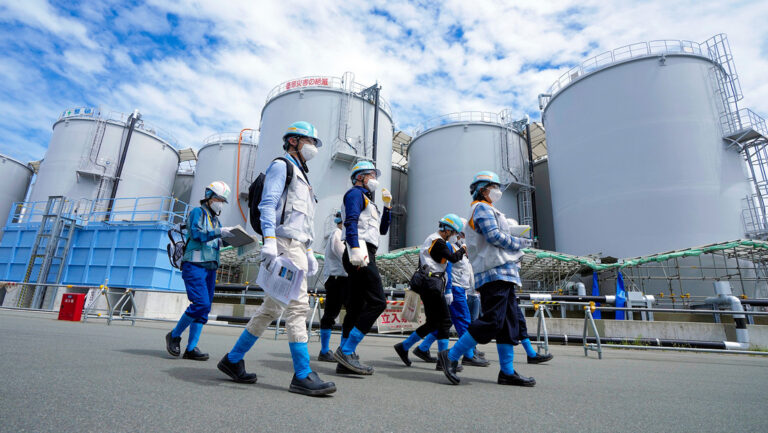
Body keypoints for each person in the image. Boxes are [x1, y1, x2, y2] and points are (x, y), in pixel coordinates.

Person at [217, 121, 336, 396]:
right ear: (293, 140)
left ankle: (233, 360)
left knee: (271, 309)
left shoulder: (303, 177)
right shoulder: (282, 166)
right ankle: (302, 374)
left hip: (297, 246)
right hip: (283, 245)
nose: (313, 147)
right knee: (298, 307)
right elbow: (268, 204)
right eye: (309, 141)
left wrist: (309, 251)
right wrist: (269, 240)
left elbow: (303, 222)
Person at [437, 171, 552, 387]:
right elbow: (494, 236)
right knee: (493, 320)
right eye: (494, 187)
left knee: (508, 323)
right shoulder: (481, 208)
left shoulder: (488, 208)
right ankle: (451, 356)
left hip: (504, 272)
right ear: (482, 189)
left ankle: (507, 372)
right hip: (494, 272)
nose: (498, 191)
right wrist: (521, 242)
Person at [333, 160, 392, 375]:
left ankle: (344, 360)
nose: (375, 179)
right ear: (360, 177)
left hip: (365, 251)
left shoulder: (369, 201)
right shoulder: (354, 194)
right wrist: (355, 247)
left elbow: (382, 230)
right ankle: (347, 350)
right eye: (371, 175)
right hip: (360, 251)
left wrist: (387, 207)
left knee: (356, 307)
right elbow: (351, 222)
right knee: (378, 302)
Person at [166, 181, 236, 361]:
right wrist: (220, 232)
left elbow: (217, 241)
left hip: (210, 267)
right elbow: (196, 234)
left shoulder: (216, 220)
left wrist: (235, 239)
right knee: (201, 304)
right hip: (195, 264)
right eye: (219, 199)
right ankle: (174, 335)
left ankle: (191, 348)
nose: (221, 203)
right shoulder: (197, 212)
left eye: (223, 201)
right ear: (209, 198)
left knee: (204, 309)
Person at [412, 219, 490, 368]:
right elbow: (447, 267)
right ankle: (468, 354)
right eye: (460, 234)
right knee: (463, 320)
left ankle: (422, 348)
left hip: (461, 288)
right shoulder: (448, 245)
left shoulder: (458, 247)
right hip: (454, 288)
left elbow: (466, 270)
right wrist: (448, 290)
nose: (461, 236)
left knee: (447, 323)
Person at [393, 214, 467, 370]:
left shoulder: (432, 240)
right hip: (432, 285)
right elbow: (453, 258)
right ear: (447, 230)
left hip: (428, 284)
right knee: (445, 321)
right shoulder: (438, 242)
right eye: (454, 233)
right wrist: (463, 249)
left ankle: (404, 346)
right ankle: (443, 361)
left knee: (433, 323)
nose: (454, 236)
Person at [317, 211, 348, 362]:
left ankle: (344, 350)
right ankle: (325, 351)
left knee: (350, 313)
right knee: (331, 313)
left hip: (343, 279)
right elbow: (344, 256)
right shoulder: (337, 234)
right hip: (337, 279)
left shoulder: (342, 235)